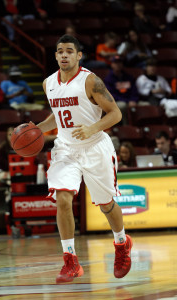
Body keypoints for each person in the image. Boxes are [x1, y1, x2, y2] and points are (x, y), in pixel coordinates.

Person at [36, 34, 133, 283]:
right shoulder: (48, 83)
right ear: (56, 56)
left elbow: (115, 114)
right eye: (60, 51)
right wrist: (37, 129)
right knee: (63, 199)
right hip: (66, 149)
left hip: (95, 147)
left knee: (106, 205)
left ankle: (121, 242)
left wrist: (92, 128)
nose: (64, 55)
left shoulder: (91, 81)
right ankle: (71, 261)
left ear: (79, 55)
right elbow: (57, 116)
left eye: (69, 51)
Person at [104, 55, 139, 124]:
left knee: (145, 104)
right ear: (112, 65)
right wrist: (127, 101)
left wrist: (133, 100)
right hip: (118, 101)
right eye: (115, 63)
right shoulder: (108, 79)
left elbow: (134, 91)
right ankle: (126, 126)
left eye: (119, 63)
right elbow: (111, 95)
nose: (118, 65)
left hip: (131, 101)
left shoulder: (129, 77)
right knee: (122, 105)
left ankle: (139, 125)